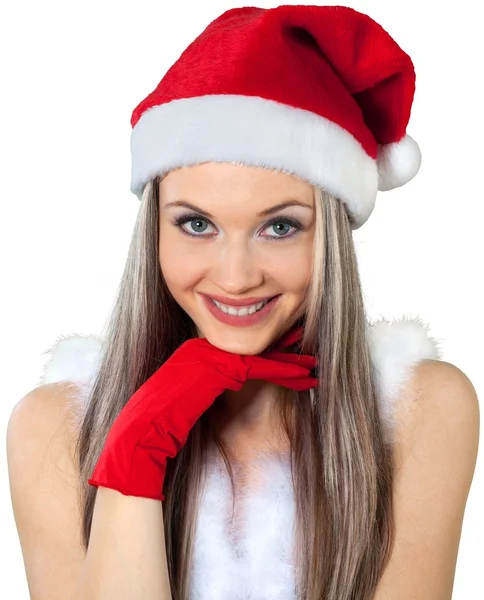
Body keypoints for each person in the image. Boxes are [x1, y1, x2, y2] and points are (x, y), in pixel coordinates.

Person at [6, 5, 479, 600]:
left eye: (279, 227)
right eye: (197, 224)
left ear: (329, 236)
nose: (234, 279)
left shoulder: (419, 410)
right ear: (155, 229)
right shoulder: (53, 429)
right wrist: (136, 449)